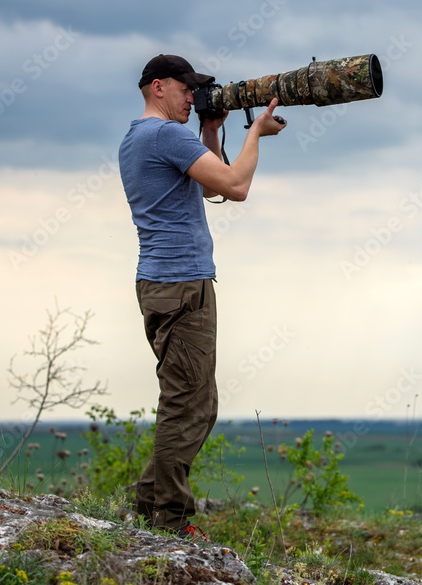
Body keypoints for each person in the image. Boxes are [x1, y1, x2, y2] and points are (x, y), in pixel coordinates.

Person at [118, 54, 286, 539]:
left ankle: (150, 502)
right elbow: (234, 187)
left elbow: (208, 184)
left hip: (161, 284)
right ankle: (168, 521)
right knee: (186, 404)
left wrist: (212, 131)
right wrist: (256, 133)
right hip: (182, 285)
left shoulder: (137, 138)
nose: (192, 97)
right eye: (185, 88)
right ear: (157, 88)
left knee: (197, 401)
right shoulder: (167, 135)